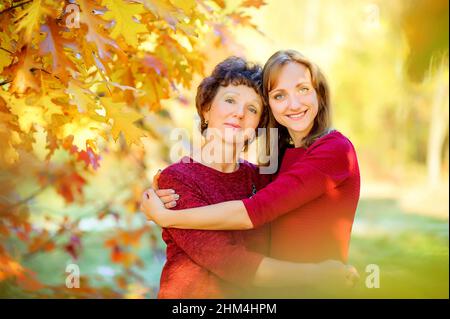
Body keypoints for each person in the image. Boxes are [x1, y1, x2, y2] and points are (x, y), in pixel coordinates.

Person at [142, 54, 359, 298]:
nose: (239, 113)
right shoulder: (177, 180)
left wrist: (163, 216)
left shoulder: (260, 179)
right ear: (206, 109)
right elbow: (230, 262)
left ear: (259, 123)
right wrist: (317, 275)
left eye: (252, 108)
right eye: (230, 100)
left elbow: (265, 212)